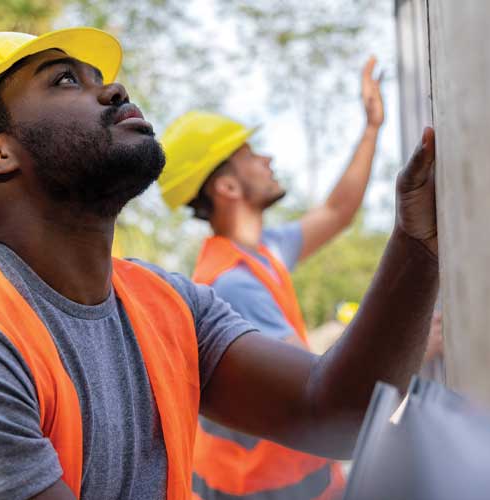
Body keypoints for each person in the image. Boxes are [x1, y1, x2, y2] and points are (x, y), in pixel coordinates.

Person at [0, 28, 439, 500]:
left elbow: (334, 413)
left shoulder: (167, 305)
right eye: (64, 81)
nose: (115, 90)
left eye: (100, 78)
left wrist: (419, 246)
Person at [157, 56, 385, 500]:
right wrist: (413, 343)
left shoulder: (262, 252)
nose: (267, 158)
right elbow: (324, 386)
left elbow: (337, 211)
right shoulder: (233, 283)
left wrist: (372, 128)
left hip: (293, 483)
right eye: (249, 155)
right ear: (227, 188)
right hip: (264, 490)